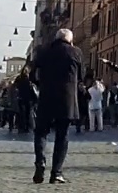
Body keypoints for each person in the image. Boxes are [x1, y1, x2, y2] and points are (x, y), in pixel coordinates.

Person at [31, 29, 83, 184]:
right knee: (62, 135)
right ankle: (56, 173)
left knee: (41, 132)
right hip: (66, 100)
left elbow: (32, 75)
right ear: (70, 40)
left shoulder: (43, 51)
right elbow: (82, 75)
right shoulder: (76, 52)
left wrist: (42, 85)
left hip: (46, 97)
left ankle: (40, 162)